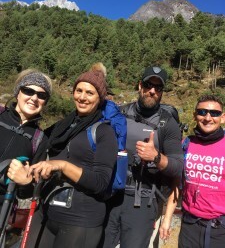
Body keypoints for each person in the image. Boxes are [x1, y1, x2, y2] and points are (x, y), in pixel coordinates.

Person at [20, 69, 118, 248]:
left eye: (90, 92)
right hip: (46, 212)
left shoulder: (105, 132)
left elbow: (101, 182)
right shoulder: (61, 127)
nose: (82, 97)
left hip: (81, 220)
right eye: (79, 90)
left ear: (100, 98)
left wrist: (63, 166)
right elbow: (37, 145)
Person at [100, 65, 183, 248]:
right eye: (148, 85)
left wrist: (156, 156)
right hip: (110, 195)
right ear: (140, 86)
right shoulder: (120, 113)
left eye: (158, 88)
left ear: (162, 92)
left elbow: (178, 166)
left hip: (143, 201)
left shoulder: (167, 125)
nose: (152, 91)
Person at [0, 68, 52, 245]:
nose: (34, 98)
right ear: (17, 92)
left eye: (41, 95)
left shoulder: (40, 139)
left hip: (3, 211)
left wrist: (25, 183)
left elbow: (29, 194)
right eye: (28, 91)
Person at [177, 94, 225, 248]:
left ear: (222, 117)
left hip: (220, 229)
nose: (208, 118)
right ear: (194, 115)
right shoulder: (186, 143)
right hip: (189, 226)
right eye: (202, 112)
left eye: (215, 113)